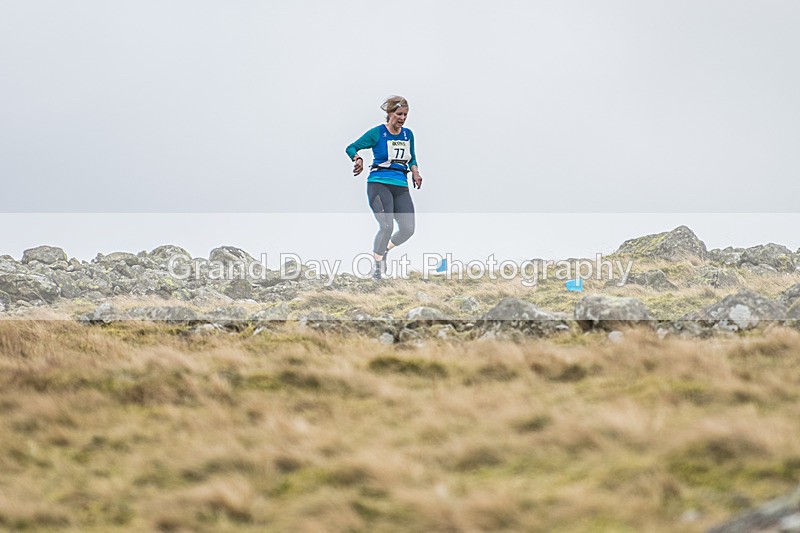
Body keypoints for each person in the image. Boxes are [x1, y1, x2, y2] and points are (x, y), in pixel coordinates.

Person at [345, 95, 423, 281]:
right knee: (386, 225)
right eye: (398, 114)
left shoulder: (407, 135)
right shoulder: (377, 133)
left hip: (401, 186)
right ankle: (377, 268)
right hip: (379, 183)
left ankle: (385, 250)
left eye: (405, 114)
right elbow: (352, 147)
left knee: (408, 229)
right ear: (389, 114)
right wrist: (357, 159)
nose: (402, 118)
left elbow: (411, 157)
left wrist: (415, 172)